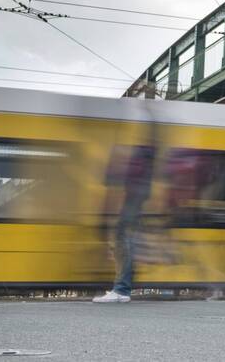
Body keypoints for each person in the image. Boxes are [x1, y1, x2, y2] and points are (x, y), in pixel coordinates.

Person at [93, 106, 159, 304]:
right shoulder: (144, 151)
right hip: (136, 196)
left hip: (134, 197)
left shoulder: (140, 152)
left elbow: (118, 179)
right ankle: (122, 287)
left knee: (123, 239)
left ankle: (121, 289)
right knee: (126, 240)